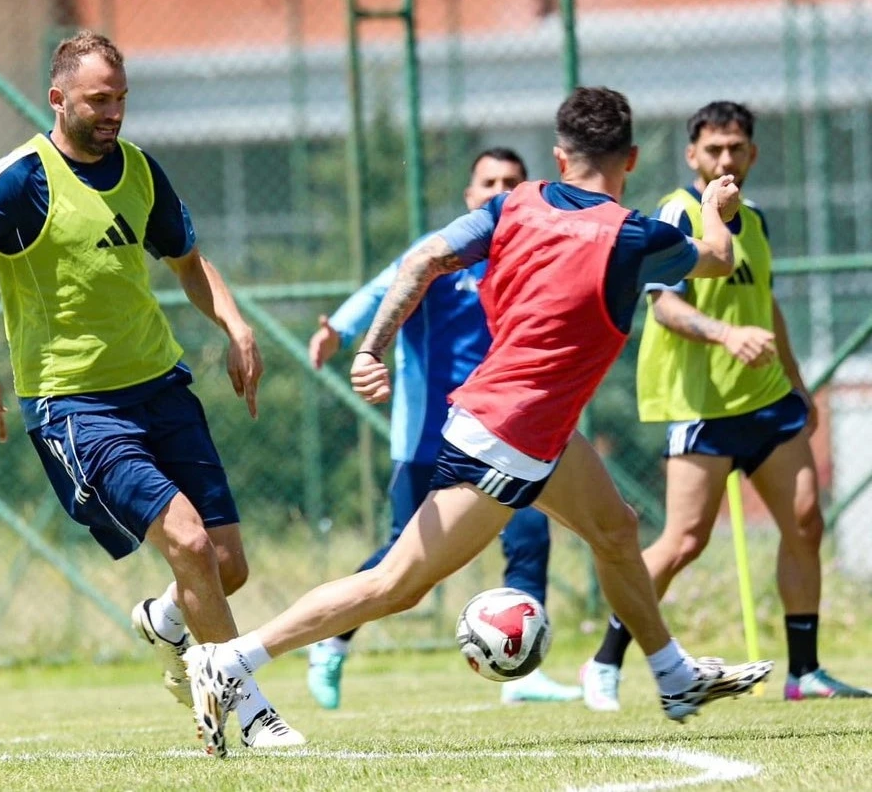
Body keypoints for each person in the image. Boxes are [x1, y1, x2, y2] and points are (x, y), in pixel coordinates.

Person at [183, 86, 774, 759]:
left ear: (559, 157)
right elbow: (718, 256)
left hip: (532, 429)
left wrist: (372, 347)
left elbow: (422, 260)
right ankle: (231, 660)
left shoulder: (513, 205)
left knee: (615, 529)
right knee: (395, 584)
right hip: (507, 438)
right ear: (632, 159)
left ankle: (673, 676)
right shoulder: (636, 237)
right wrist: (716, 208)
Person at [0, 30, 305, 748]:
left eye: (122, 98)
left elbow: (188, 261)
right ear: (57, 98)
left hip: (161, 387)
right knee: (187, 540)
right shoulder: (21, 179)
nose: (114, 113)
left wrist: (235, 324)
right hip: (76, 407)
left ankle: (165, 620)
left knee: (224, 565)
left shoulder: (140, 169)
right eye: (99, 99)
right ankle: (250, 710)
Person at [581, 100, 871, 709]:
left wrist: (797, 382)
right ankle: (605, 659)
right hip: (700, 406)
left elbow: (766, 302)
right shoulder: (677, 213)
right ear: (692, 155)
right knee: (685, 541)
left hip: (765, 400)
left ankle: (805, 672)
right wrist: (725, 335)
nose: (725, 159)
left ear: (753, 154)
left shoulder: (756, 220)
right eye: (713, 149)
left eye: (736, 147)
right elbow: (665, 306)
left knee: (806, 521)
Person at [306, 148, 580, 708]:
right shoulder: (440, 251)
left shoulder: (530, 258)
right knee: (403, 562)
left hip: (505, 431)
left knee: (529, 535)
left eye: (510, 182)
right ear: (470, 195)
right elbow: (382, 290)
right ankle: (330, 642)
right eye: (488, 182)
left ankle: (521, 674)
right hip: (429, 438)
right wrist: (341, 331)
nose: (498, 190)